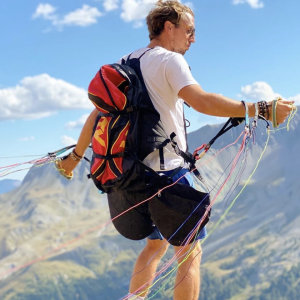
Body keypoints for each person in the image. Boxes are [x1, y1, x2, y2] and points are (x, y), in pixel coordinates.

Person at [58, 1, 294, 299]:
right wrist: (260, 109)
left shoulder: (125, 61)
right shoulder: (170, 61)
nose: (193, 39)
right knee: (190, 253)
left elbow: (96, 116)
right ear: (169, 27)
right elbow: (202, 101)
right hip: (167, 179)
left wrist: (75, 158)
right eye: (189, 31)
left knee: (155, 246)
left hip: (128, 180)